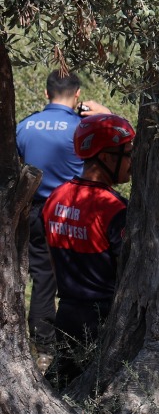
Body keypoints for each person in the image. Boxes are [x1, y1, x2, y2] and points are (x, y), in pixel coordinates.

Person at [15, 70, 110, 354]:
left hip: (34, 212)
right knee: (81, 276)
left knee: (42, 278)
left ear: (47, 93)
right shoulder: (82, 127)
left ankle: (44, 348)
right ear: (77, 94)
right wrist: (105, 114)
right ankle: (81, 344)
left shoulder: (25, 126)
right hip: (72, 210)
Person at [42, 112, 134, 390]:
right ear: (106, 157)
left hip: (67, 313)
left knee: (61, 386)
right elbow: (129, 273)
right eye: (127, 153)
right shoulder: (115, 208)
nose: (132, 163)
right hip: (102, 321)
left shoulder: (54, 198)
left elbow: (52, 261)